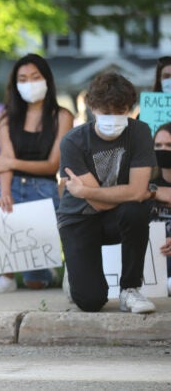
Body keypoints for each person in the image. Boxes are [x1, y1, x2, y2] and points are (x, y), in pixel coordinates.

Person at [58, 72, 156, 314]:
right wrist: (132, 192)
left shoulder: (140, 132)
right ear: (92, 108)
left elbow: (136, 192)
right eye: (106, 110)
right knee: (91, 302)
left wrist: (85, 191)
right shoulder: (73, 141)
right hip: (79, 218)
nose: (113, 117)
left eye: (120, 110)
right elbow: (101, 203)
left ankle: (130, 289)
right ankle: (74, 269)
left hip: (118, 216)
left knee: (137, 210)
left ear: (129, 109)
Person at [0, 54, 73, 293]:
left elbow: (51, 165)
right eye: (23, 78)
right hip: (11, 184)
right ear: (15, 84)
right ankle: (5, 274)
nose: (29, 83)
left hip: (44, 188)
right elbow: (4, 164)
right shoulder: (6, 118)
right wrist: (4, 192)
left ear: (47, 79)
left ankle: (44, 269)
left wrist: (12, 162)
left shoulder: (63, 117)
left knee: (36, 282)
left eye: (35, 77)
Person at [146, 123, 171, 295]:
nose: (163, 150)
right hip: (153, 256)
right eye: (158, 145)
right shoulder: (147, 183)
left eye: (169, 145)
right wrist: (155, 192)